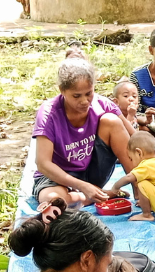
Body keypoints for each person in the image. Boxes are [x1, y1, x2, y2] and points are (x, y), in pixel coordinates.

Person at [32, 48, 135, 210]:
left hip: (91, 172)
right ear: (62, 91)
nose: (85, 101)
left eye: (89, 93)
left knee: (112, 121)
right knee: (53, 200)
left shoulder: (102, 104)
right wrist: (82, 186)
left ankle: (138, 189)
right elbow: (43, 163)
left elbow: (134, 139)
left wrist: (153, 160)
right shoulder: (49, 113)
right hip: (58, 178)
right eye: (76, 96)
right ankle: (98, 195)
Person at [108, 132, 155, 221]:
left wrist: (115, 187)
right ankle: (149, 204)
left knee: (142, 183)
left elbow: (129, 178)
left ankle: (146, 215)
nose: (131, 162)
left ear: (139, 153)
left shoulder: (146, 165)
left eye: (131, 158)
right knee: (149, 182)